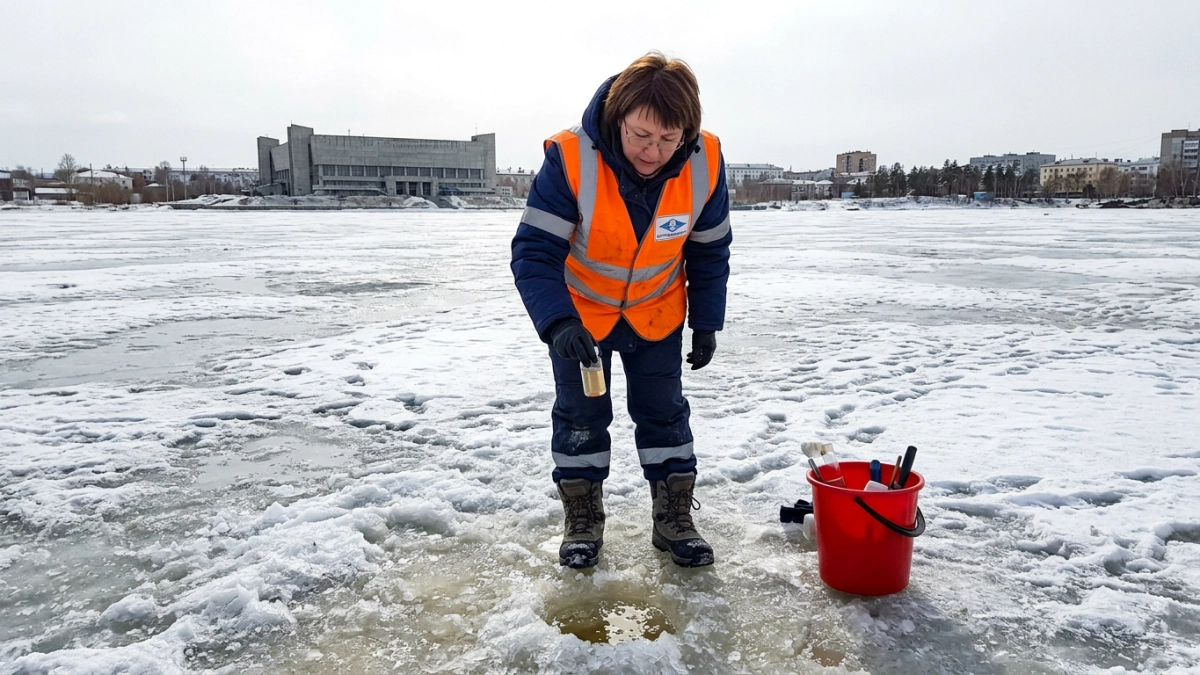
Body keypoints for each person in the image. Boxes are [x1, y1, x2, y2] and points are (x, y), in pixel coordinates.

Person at [510, 52, 732, 569]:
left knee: (665, 416)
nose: (653, 152)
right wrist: (557, 321)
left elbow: (709, 247)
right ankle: (583, 519)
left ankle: (672, 518)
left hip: (657, 312)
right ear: (618, 118)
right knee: (580, 418)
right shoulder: (571, 157)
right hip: (581, 318)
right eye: (640, 136)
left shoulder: (706, 161)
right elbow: (534, 251)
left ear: (688, 131)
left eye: (668, 139)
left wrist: (706, 320)